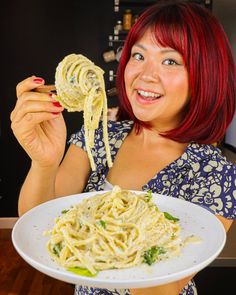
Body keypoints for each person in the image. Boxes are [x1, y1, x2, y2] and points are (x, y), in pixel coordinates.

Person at [10, 1, 235, 295]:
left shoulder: (217, 175)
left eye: (170, 61)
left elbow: (161, 291)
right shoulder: (99, 136)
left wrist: (126, 228)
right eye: (139, 55)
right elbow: (40, 228)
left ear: (205, 75)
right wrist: (44, 163)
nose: (145, 75)